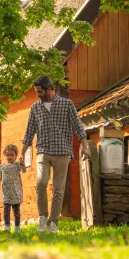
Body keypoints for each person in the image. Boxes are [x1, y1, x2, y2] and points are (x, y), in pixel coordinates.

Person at [21, 75, 89, 234]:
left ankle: (53, 223)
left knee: (58, 190)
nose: (37, 94)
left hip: (62, 152)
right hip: (43, 152)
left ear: (50, 89)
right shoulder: (35, 108)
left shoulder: (67, 104)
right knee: (41, 182)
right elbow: (29, 133)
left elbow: (78, 127)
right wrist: (22, 155)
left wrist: (85, 147)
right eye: (36, 91)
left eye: (40, 91)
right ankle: (43, 218)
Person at [0, 144, 25, 233]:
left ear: (16, 156)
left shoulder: (17, 165)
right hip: (6, 193)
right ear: (5, 155)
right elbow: (1, 178)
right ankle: (7, 228)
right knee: (6, 211)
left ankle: (17, 228)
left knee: (16, 212)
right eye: (7, 155)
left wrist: (23, 164)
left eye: (12, 155)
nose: (9, 157)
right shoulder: (2, 167)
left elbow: (24, 170)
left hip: (16, 193)